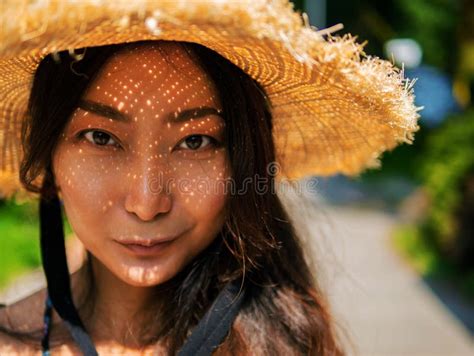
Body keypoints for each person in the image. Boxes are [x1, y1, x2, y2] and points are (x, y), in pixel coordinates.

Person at [0, 1, 420, 355]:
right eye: (101, 137)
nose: (147, 203)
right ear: (49, 157)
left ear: (244, 161)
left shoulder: (288, 343)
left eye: (196, 141)